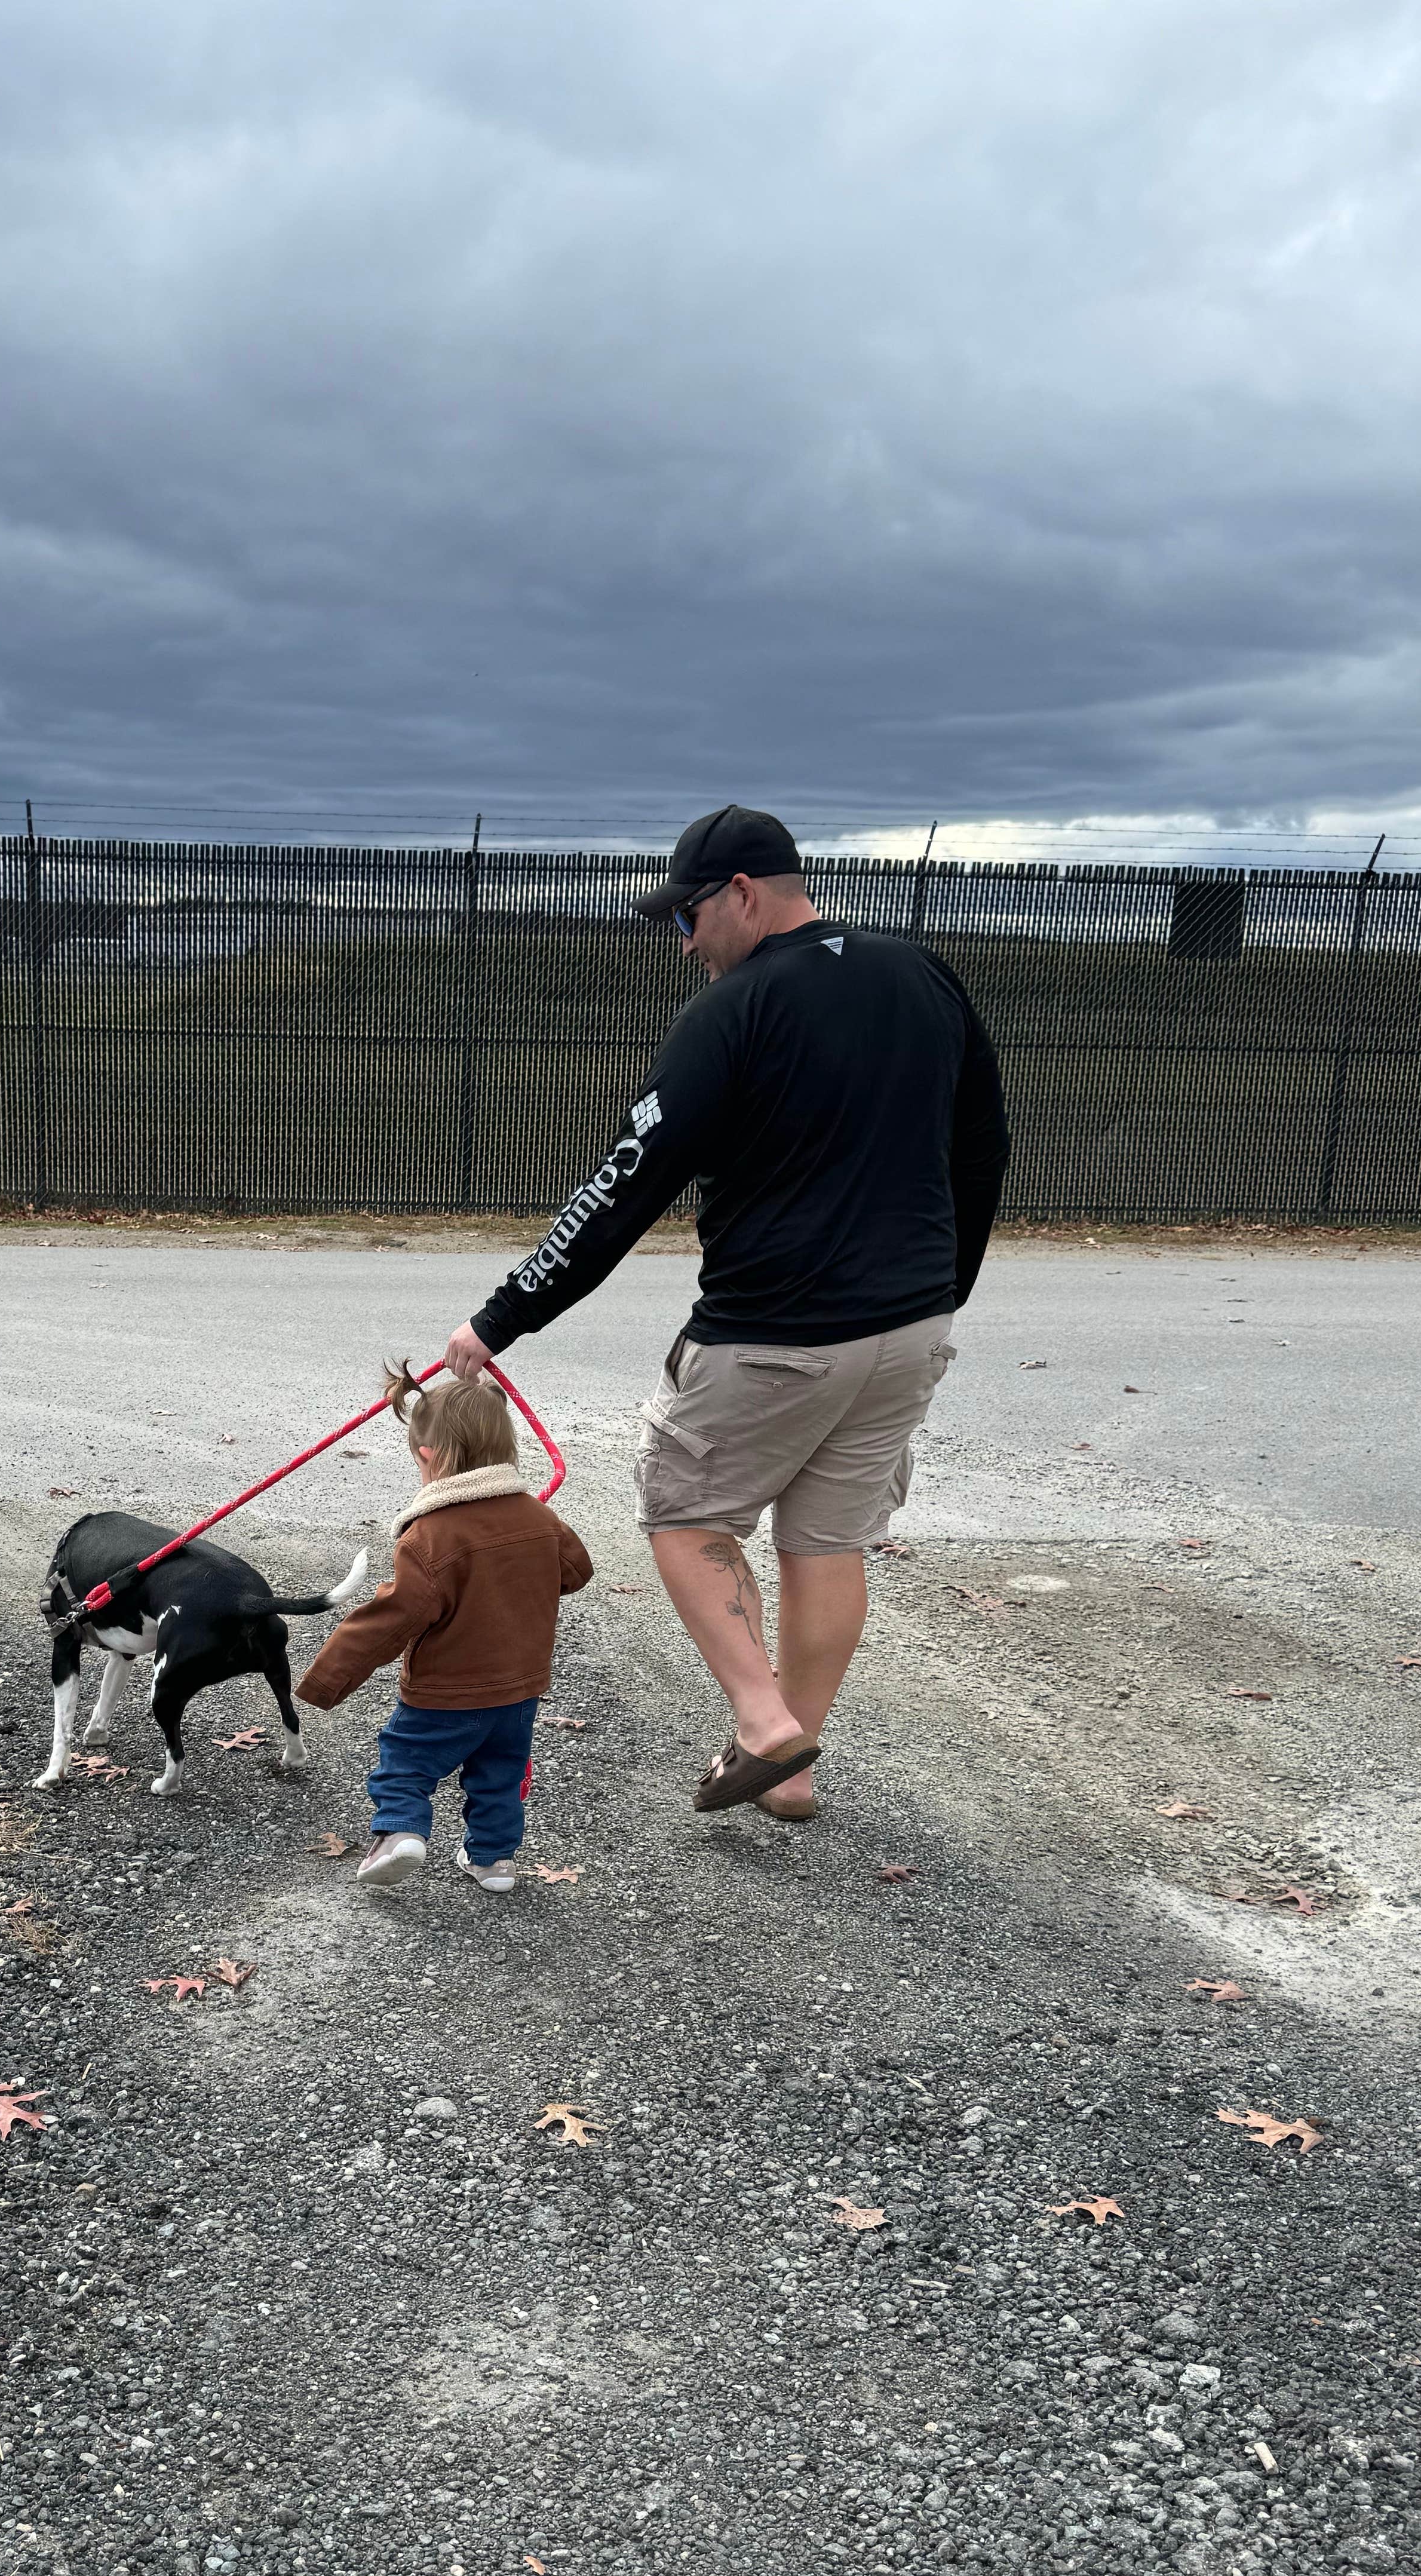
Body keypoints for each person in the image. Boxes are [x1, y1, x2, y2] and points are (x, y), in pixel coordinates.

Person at [441, 804, 1009, 1821]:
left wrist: (499, 1318)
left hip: (772, 1331)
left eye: (686, 918)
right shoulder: (921, 976)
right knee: (824, 1542)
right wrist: (940, 1288)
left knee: (682, 1512)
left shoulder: (732, 1010)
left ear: (740, 893)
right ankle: (787, 1770)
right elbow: (981, 1147)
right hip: (908, 1330)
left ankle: (762, 1720)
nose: (686, 943)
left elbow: (625, 1181)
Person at [294, 1361, 593, 1891]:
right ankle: (494, 1861)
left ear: (427, 1457)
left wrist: (326, 1680)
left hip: (444, 1694)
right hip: (519, 1693)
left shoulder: (429, 1536)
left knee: (405, 1764)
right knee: (500, 1777)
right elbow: (576, 1572)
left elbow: (393, 1619)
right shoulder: (538, 1518)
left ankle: (401, 1834)